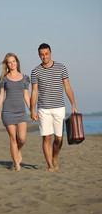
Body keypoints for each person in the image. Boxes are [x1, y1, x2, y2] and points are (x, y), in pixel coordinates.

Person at [31, 43, 77, 171]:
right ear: (39, 55)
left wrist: (73, 104)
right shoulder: (36, 71)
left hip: (59, 107)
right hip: (43, 108)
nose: (44, 57)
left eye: (46, 54)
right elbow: (34, 91)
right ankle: (50, 165)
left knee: (58, 139)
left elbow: (67, 86)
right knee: (47, 137)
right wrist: (32, 110)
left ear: (51, 53)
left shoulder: (61, 68)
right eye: (41, 54)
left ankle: (54, 158)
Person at [0, 53, 30, 171]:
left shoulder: (25, 78)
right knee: (13, 139)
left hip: (21, 112)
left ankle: (18, 151)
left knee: (22, 138)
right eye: (9, 62)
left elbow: (26, 96)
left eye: (13, 61)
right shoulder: (4, 79)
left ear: (17, 62)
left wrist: (32, 110)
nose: (12, 64)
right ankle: (17, 165)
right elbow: (1, 96)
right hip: (8, 112)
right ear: (7, 64)